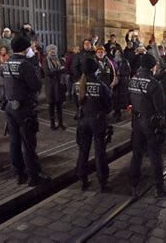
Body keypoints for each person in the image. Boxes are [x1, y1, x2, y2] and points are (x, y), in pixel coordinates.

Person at [2, 35, 50, 186]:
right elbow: (36, 85)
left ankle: (18, 173)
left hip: (10, 106)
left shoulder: (8, 62)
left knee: (14, 142)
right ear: (25, 48)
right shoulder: (24, 65)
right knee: (28, 143)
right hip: (24, 108)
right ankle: (33, 176)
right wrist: (34, 65)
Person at [128, 53, 166, 197]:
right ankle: (159, 187)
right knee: (155, 155)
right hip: (150, 123)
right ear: (153, 66)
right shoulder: (154, 84)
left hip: (136, 121)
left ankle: (133, 184)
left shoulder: (133, 80)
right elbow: (160, 107)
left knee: (137, 154)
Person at [75, 57, 112, 191]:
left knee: (83, 152)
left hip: (83, 121)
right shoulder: (101, 85)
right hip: (98, 122)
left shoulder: (78, 85)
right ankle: (103, 181)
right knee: (100, 153)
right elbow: (108, 106)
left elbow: (77, 103)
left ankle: (83, 180)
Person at [42, 44, 67, 130]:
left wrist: (55, 71)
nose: (53, 52)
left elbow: (65, 69)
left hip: (59, 85)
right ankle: (52, 124)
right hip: (50, 86)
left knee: (59, 106)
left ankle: (60, 123)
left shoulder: (60, 59)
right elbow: (47, 72)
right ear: (48, 51)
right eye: (51, 50)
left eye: (54, 50)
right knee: (51, 105)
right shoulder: (45, 61)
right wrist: (59, 70)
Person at [112, 49, 131, 122]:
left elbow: (128, 71)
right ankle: (116, 111)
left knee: (121, 97)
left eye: (118, 52)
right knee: (115, 96)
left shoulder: (125, 61)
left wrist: (121, 73)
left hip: (123, 82)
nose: (117, 53)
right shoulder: (113, 61)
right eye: (116, 52)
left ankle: (119, 113)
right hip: (115, 82)